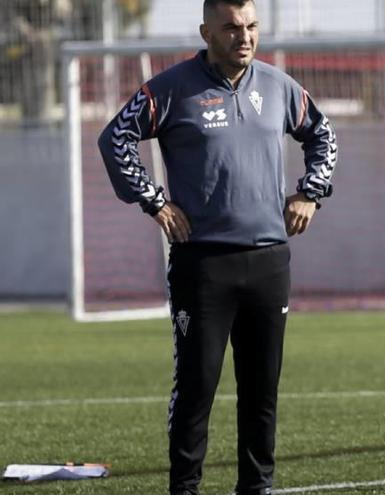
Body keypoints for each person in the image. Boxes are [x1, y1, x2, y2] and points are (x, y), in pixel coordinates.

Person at [97, 1, 337, 493]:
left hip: (269, 261)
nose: (243, 37)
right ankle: (184, 488)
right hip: (202, 264)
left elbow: (324, 135)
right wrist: (155, 202)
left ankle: (258, 486)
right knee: (197, 388)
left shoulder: (279, 87)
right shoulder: (170, 89)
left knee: (261, 391)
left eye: (251, 27)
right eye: (231, 27)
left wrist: (311, 192)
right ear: (206, 31)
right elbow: (116, 138)